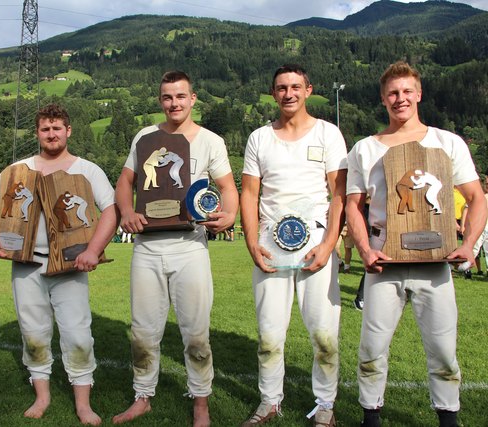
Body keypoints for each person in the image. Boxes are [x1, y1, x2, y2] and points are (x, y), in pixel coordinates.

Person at [345, 61, 487, 427]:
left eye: (407, 91)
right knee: (372, 349)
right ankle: (370, 418)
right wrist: (364, 250)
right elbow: (352, 205)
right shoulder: (364, 148)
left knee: (443, 350)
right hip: (384, 260)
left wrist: (469, 244)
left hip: (435, 262)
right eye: (393, 93)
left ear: (419, 94)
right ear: (382, 99)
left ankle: (448, 419)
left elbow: (477, 197)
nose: (400, 99)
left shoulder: (447, 142)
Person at [0, 104, 117, 425]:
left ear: (68, 131)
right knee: (33, 333)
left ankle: (83, 404)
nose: (51, 134)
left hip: (70, 265)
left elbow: (111, 210)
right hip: (26, 263)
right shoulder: (19, 169)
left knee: (78, 334)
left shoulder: (87, 170)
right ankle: (42, 396)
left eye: (57, 128)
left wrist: (94, 250)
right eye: (44, 129)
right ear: (37, 133)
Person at [112, 70, 238, 427]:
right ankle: (142, 396)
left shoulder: (211, 140)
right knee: (142, 331)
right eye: (167, 97)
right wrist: (126, 211)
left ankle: (200, 402)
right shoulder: (145, 136)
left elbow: (228, 187)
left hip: (190, 246)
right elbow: (125, 183)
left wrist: (228, 215)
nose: (174, 103)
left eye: (180, 96)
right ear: (160, 100)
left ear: (193, 98)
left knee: (196, 332)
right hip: (147, 248)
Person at [240, 64, 347, 427]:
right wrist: (252, 244)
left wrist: (329, 243)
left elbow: (339, 195)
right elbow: (250, 193)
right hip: (270, 249)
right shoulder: (259, 138)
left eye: (295, 87)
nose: (289, 93)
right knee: (269, 335)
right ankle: (269, 402)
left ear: (308, 89)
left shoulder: (328, 134)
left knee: (323, 332)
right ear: (274, 93)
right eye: (282, 88)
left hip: (316, 249)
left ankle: (326, 407)